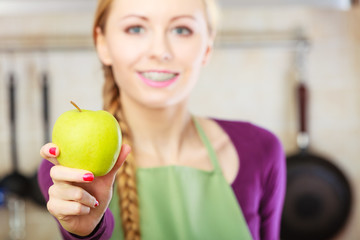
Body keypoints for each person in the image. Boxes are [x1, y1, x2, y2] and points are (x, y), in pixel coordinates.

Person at [38, 0, 286, 239]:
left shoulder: (260, 150)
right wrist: (87, 232)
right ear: (102, 43)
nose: (160, 51)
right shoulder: (67, 169)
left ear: (207, 47)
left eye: (181, 29)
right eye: (135, 28)